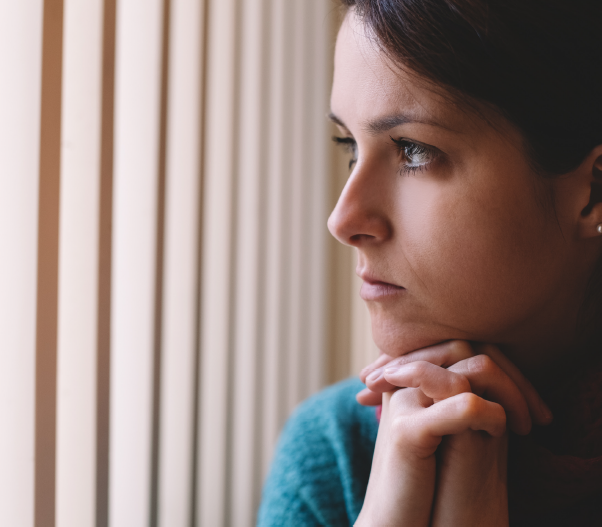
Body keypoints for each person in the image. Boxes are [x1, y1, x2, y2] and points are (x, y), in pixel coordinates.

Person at [257, 0, 602, 525]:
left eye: (413, 150)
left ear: (592, 192)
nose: (343, 219)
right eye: (351, 146)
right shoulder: (335, 453)